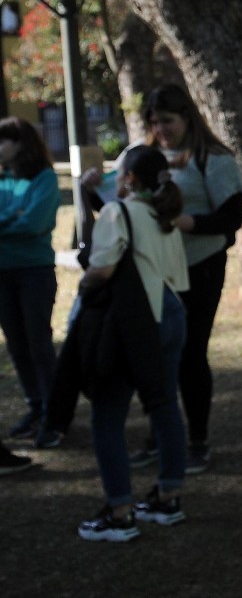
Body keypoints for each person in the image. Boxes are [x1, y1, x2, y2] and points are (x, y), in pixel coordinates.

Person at [85, 85, 242, 474]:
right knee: (153, 355)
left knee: (191, 355)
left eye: (167, 121)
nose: (161, 128)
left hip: (200, 268)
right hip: (152, 271)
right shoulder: (141, 155)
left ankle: (197, 442)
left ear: (187, 117)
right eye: (154, 121)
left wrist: (184, 222)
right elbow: (117, 206)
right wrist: (89, 189)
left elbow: (232, 220)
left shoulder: (213, 158)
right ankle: (160, 436)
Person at [75, 145, 189, 542]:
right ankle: (168, 497)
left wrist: (84, 283)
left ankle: (120, 511)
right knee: (163, 404)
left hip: (135, 319)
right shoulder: (165, 214)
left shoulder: (117, 213)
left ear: (129, 178)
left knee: (107, 413)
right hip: (172, 311)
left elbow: (102, 268)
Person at [0, 116, 61, 449]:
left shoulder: (45, 179)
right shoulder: (2, 179)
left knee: (38, 342)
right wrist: (14, 217)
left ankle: (54, 413)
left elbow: (35, 224)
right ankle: (35, 407)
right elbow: (21, 221)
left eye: (2, 141)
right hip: (3, 274)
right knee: (17, 344)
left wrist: (13, 221)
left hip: (34, 272)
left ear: (20, 143)